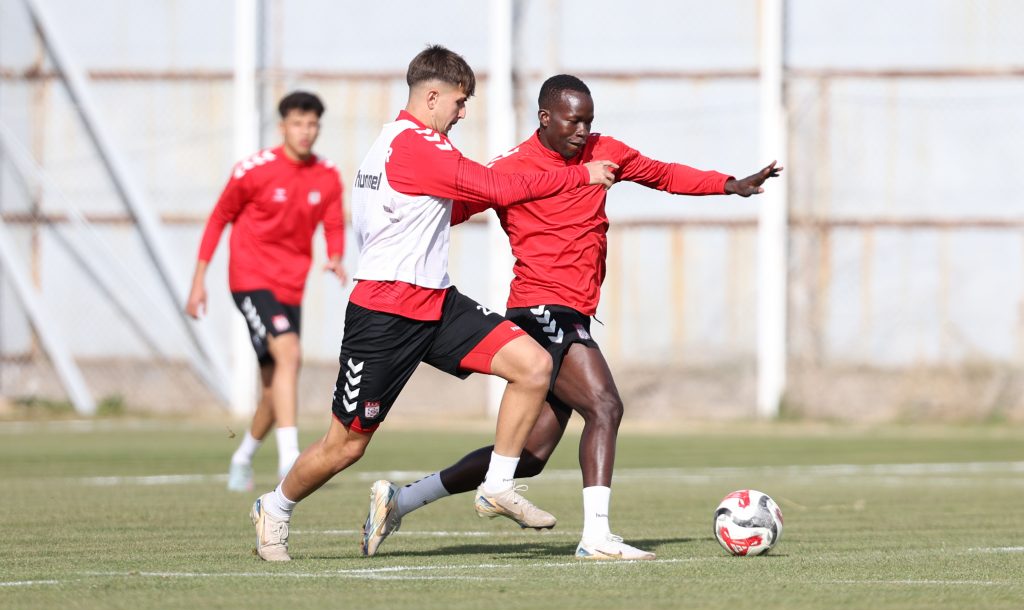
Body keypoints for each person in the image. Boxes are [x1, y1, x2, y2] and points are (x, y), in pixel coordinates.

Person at [362, 74, 783, 561]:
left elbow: (663, 174)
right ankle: (597, 536)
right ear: (545, 118)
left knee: (531, 456)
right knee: (605, 406)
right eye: (573, 121)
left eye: (588, 121)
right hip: (540, 309)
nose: (583, 131)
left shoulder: (605, 152)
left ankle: (402, 500)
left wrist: (728, 185)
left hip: (573, 310)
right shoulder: (510, 169)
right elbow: (447, 210)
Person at [248, 48, 617, 561]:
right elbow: (496, 187)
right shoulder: (415, 145)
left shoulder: (407, 143)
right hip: (384, 311)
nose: (463, 113)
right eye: (460, 103)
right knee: (346, 446)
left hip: (438, 303)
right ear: (433, 96)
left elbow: (462, 200)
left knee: (533, 366)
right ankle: (275, 506)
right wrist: (581, 176)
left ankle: (497, 485)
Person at [186, 91, 347, 492]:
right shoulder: (254, 170)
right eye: (298, 123)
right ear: (282, 127)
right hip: (251, 279)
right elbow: (218, 218)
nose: (305, 131)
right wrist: (198, 281)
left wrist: (335, 256)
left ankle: (242, 458)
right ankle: (290, 460)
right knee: (290, 353)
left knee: (277, 386)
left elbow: (333, 223)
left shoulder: (327, 175)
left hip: (291, 286)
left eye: (312, 124)